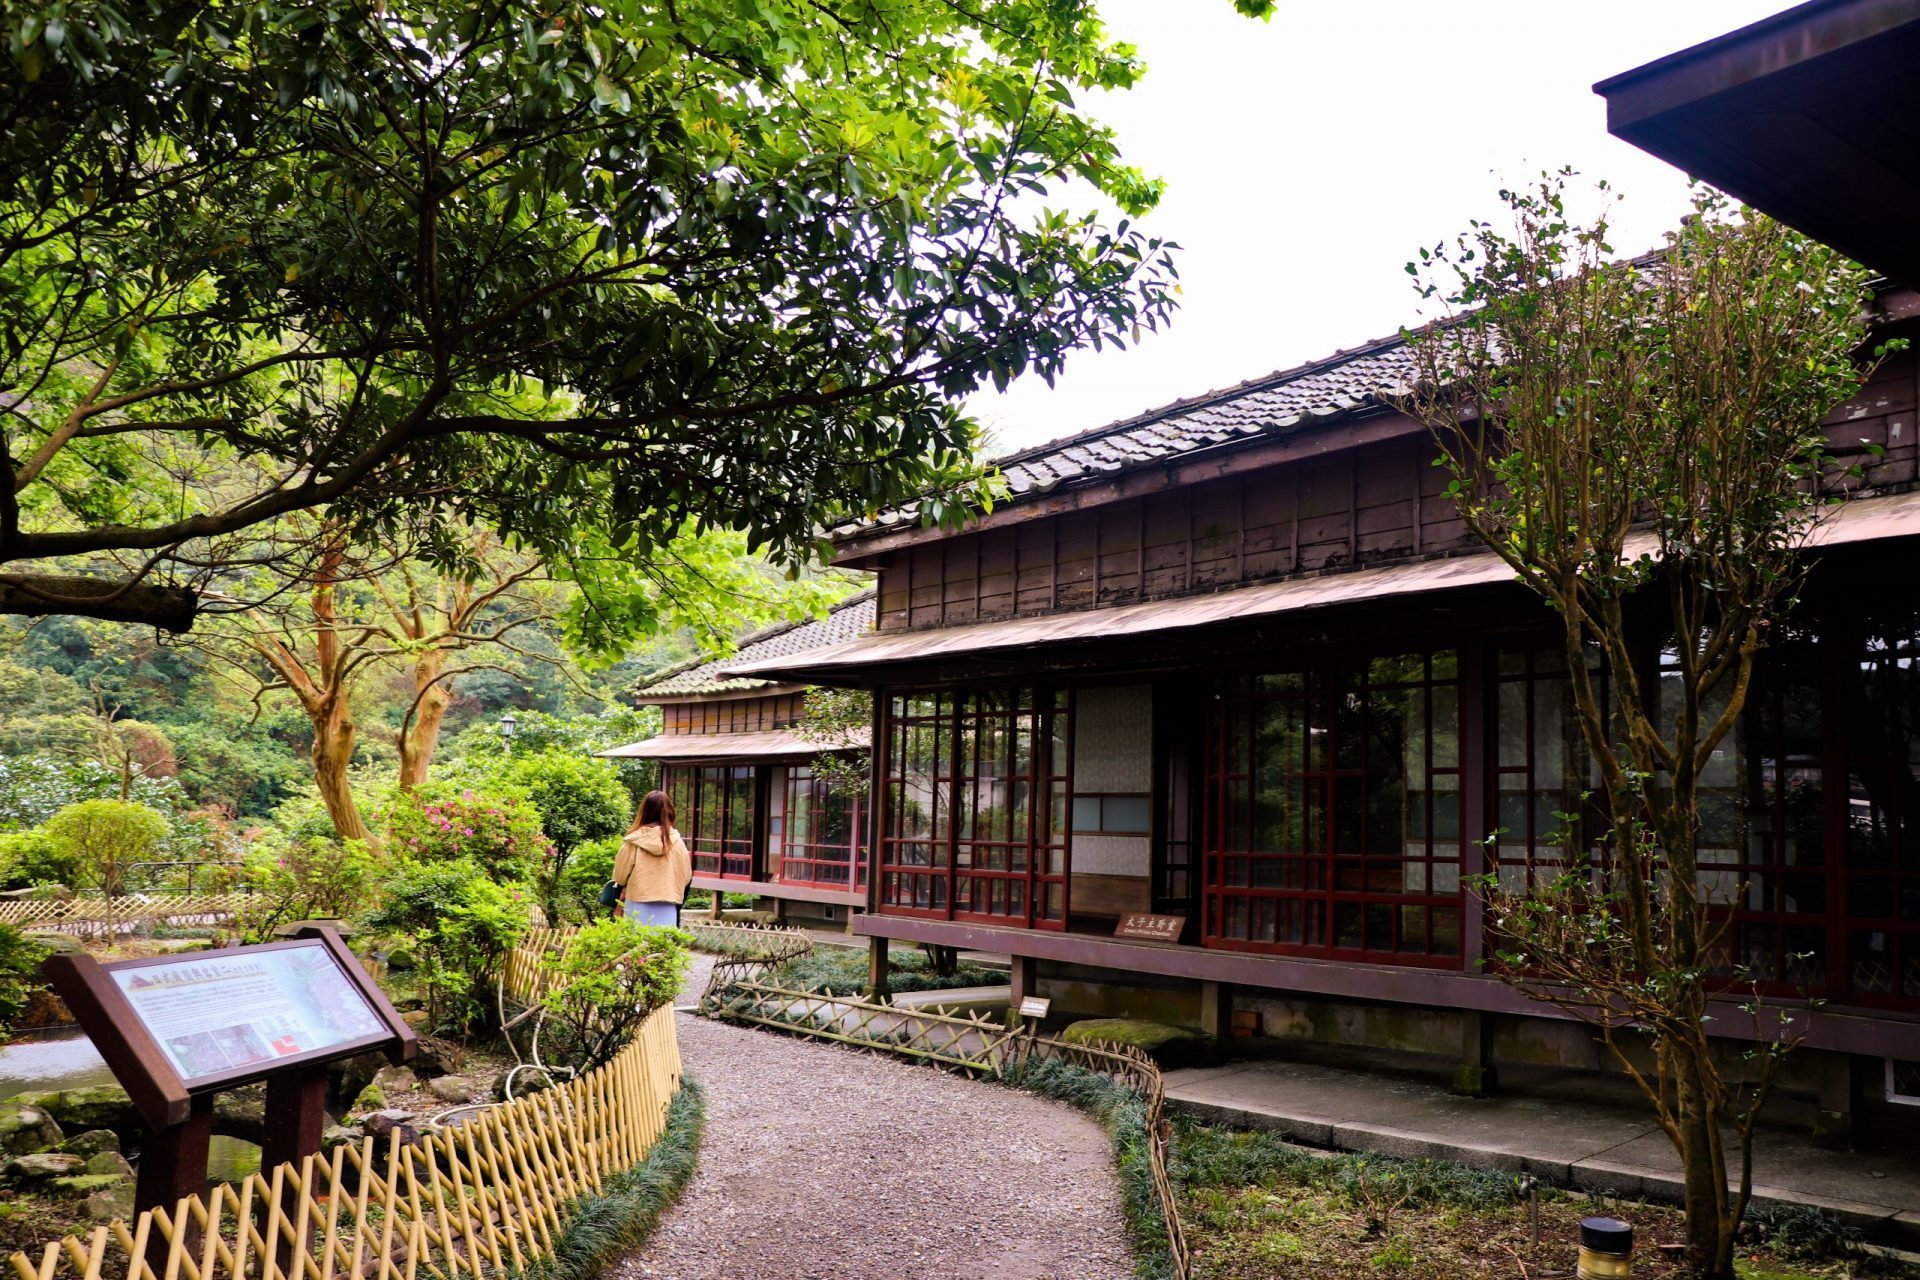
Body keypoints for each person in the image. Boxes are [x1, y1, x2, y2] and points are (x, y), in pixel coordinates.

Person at [611, 789, 693, 926]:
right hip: (668, 905)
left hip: (637, 903)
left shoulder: (633, 841)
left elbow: (619, 877)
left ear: (644, 811)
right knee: (662, 944)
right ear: (669, 811)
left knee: (636, 943)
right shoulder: (678, 843)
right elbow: (686, 877)